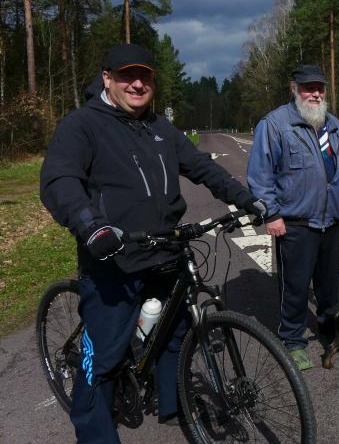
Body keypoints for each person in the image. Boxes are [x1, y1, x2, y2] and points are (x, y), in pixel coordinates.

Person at [39, 43, 267, 443]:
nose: (137, 84)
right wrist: (91, 226)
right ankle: (95, 435)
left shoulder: (160, 127)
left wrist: (244, 198)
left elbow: (201, 167)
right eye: (126, 76)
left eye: (144, 76)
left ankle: (174, 405)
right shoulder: (83, 124)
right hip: (113, 259)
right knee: (103, 360)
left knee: (175, 334)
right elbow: (60, 179)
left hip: (165, 250)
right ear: (107, 79)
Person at [247, 64, 339, 371]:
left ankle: (327, 329)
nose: (315, 93)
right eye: (308, 87)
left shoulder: (334, 126)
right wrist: (271, 213)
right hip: (295, 223)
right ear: (294, 89)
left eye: (320, 88)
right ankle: (293, 340)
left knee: (328, 286)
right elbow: (260, 175)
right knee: (295, 287)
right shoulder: (275, 124)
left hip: (330, 221)